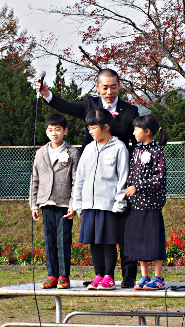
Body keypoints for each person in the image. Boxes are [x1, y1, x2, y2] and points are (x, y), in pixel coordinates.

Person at [37, 69, 139, 287]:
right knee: (96, 236)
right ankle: (100, 274)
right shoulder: (90, 105)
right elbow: (67, 107)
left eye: (113, 86)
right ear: (97, 87)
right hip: (93, 176)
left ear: (119, 86)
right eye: (105, 87)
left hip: (118, 176)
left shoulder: (130, 111)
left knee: (122, 232)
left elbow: (138, 137)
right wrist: (48, 95)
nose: (109, 91)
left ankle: (127, 276)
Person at [72, 109, 129, 290]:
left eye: (93, 128)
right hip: (89, 204)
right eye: (88, 128)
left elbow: (123, 177)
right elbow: (80, 177)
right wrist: (78, 203)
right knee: (93, 241)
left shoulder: (119, 148)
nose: (90, 132)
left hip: (109, 205)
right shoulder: (88, 149)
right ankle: (98, 274)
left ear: (106, 127)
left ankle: (109, 277)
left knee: (108, 241)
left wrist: (120, 202)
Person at [30, 113, 81, 289]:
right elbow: (35, 179)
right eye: (50, 130)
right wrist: (34, 204)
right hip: (45, 203)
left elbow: (76, 181)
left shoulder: (73, 153)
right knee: (49, 240)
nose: (54, 133)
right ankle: (52, 275)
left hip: (64, 204)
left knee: (63, 240)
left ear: (65, 131)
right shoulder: (40, 153)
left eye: (58, 129)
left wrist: (74, 204)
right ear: (46, 132)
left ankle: (64, 276)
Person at [123, 115, 169, 290]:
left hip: (152, 205)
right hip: (136, 205)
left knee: (154, 239)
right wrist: (128, 192)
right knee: (139, 239)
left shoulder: (157, 152)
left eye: (136, 129)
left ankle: (158, 277)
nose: (133, 132)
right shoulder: (136, 150)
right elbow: (131, 174)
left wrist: (138, 186)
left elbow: (159, 178)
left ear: (147, 131)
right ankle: (144, 276)